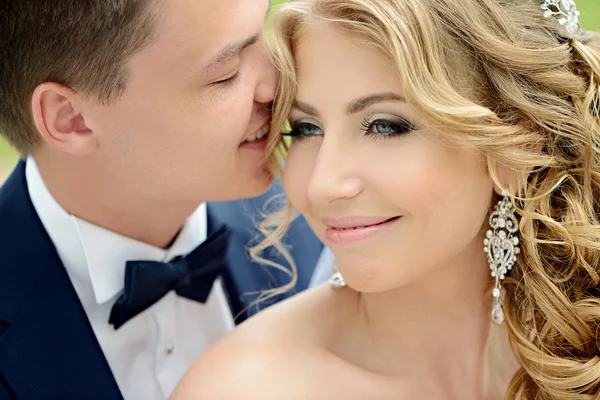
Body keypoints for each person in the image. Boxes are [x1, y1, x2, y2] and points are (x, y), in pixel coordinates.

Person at [172, 0, 600, 399]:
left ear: (520, 146)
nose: (322, 184)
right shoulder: (244, 387)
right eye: (305, 128)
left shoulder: (584, 340)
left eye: (384, 126)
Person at [0, 0, 326, 399]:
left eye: (266, 31)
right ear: (71, 118)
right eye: (225, 74)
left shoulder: (322, 221)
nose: (279, 84)